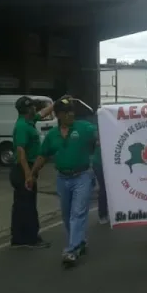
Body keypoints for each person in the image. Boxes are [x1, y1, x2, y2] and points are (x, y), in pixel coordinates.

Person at [32, 97, 97, 267]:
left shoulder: (84, 128)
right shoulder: (52, 135)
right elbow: (43, 155)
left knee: (77, 213)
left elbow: (102, 133)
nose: (70, 115)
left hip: (82, 176)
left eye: (72, 112)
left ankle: (71, 250)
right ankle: (80, 241)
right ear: (58, 115)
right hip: (62, 179)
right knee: (67, 215)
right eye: (66, 112)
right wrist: (32, 174)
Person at [9, 96, 58, 249]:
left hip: (26, 169)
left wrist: (57, 103)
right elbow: (21, 153)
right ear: (27, 110)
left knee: (21, 205)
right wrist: (28, 175)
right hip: (23, 169)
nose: (35, 109)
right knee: (28, 206)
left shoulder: (29, 121)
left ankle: (18, 238)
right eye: (32, 107)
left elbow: (43, 113)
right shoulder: (22, 127)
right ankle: (31, 239)